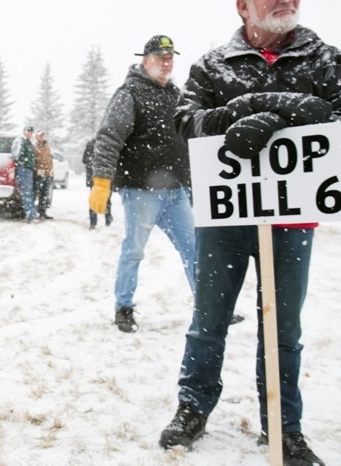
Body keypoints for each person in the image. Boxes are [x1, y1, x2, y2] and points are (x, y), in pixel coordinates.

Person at [159, 1, 339, 464]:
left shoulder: (327, 60)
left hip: (292, 219)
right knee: (209, 318)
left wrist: (279, 116)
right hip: (226, 217)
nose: (287, 0)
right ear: (243, 6)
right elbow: (185, 122)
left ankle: (283, 425)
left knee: (282, 328)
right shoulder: (212, 65)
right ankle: (193, 406)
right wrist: (241, 113)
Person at [88, 35, 195, 333]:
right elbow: (109, 137)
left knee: (195, 249)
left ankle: (209, 305)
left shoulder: (177, 95)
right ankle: (123, 307)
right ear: (145, 60)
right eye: (160, 57)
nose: (166, 62)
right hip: (141, 191)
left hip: (176, 192)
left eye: (170, 57)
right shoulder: (130, 93)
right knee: (134, 250)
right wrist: (101, 181)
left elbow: (190, 138)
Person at [82, 137, 113, 229]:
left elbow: (85, 160)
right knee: (106, 199)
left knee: (94, 200)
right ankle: (107, 220)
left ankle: (94, 222)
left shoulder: (91, 145)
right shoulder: (108, 145)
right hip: (105, 178)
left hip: (95, 178)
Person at [12, 125, 39, 222]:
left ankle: (31, 213)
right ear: (24, 131)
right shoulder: (20, 141)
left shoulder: (28, 142)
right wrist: (23, 164)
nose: (30, 133)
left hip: (29, 169)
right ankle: (30, 214)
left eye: (31, 132)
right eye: (28, 131)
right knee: (27, 192)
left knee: (29, 191)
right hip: (24, 169)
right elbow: (16, 154)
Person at [33, 129, 54, 220]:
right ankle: (33, 213)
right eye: (40, 135)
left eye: (42, 135)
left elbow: (49, 159)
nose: (41, 137)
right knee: (35, 194)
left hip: (47, 174)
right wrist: (37, 169)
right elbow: (33, 160)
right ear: (36, 137)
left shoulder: (47, 147)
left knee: (44, 195)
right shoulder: (34, 147)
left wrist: (50, 170)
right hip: (38, 174)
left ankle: (42, 212)